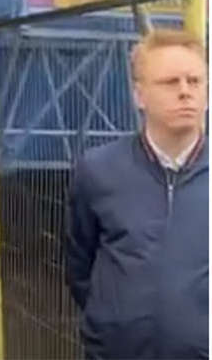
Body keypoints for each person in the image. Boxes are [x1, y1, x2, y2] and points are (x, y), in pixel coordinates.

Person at [65, 29, 208, 360]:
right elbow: (79, 266)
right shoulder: (98, 170)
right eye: (170, 82)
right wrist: (112, 323)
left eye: (195, 81)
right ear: (139, 95)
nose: (185, 92)